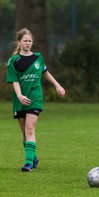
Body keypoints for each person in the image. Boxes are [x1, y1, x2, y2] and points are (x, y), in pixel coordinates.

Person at [6, 28, 65, 172]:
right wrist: (19, 95)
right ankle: (33, 157)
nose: (28, 43)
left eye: (30, 41)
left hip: (35, 98)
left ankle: (28, 164)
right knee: (24, 133)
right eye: (25, 41)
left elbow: (45, 73)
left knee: (30, 129)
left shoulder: (38, 58)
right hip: (19, 100)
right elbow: (14, 81)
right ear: (19, 42)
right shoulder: (14, 61)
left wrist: (57, 85)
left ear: (32, 42)